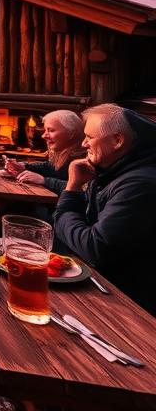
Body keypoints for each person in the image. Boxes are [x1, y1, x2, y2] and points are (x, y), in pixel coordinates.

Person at [54, 103, 156, 314]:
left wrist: (71, 191)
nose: (83, 144)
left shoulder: (139, 184)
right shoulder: (113, 173)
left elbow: (94, 248)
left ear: (117, 141)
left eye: (89, 137)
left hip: (127, 309)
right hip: (101, 288)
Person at [5, 110, 85, 195]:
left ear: (71, 133)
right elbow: (50, 167)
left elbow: (82, 190)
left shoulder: (84, 160)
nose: (43, 136)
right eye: (45, 130)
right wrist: (24, 166)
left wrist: (44, 180)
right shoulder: (67, 153)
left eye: (51, 130)